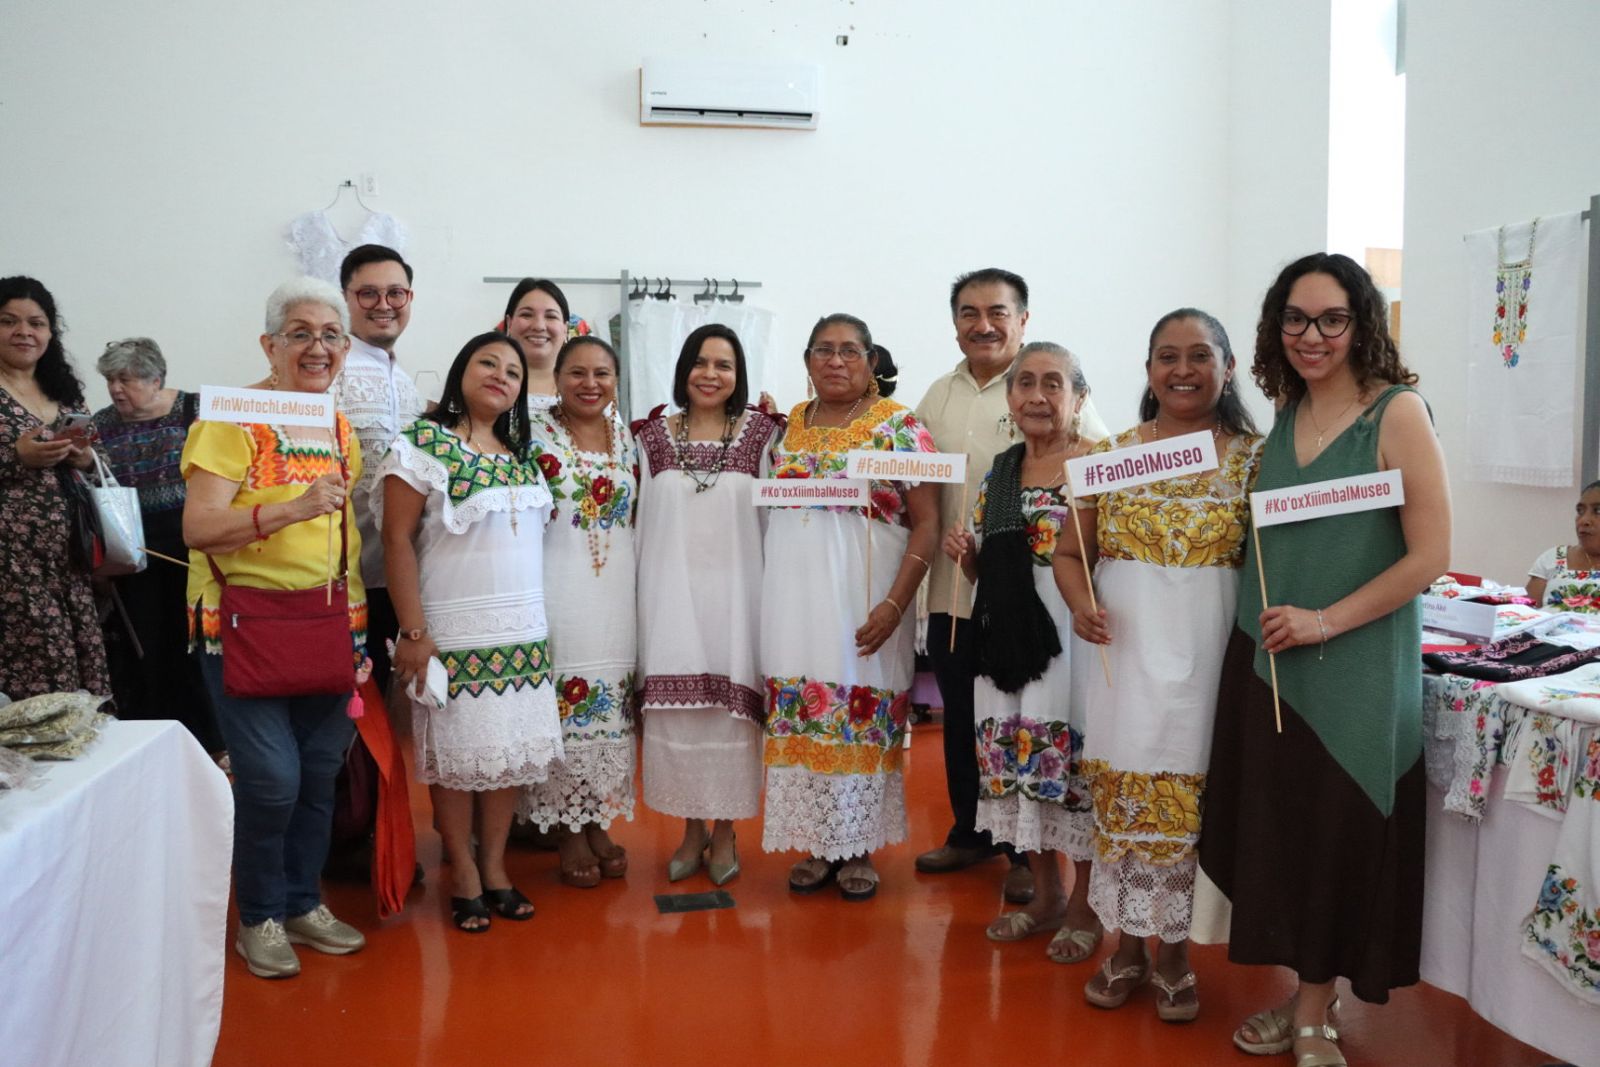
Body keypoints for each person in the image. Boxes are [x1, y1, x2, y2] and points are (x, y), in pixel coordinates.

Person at [1198, 254, 1450, 1067]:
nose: (1313, 336)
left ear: (1361, 322)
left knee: (1340, 833)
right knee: (1289, 831)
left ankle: (1313, 1010)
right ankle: (1304, 994)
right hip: (1275, 658)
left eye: (1332, 319)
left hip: (1357, 664)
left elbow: (1431, 555)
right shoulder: (1286, 411)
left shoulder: (1397, 413)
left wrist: (1325, 621)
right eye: (1297, 319)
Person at [1054, 308, 1262, 1021]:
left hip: (1211, 665)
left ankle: (1176, 954)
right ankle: (1128, 947)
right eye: (1167, 356)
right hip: (1126, 665)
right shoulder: (1111, 456)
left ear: (1227, 368)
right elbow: (1069, 553)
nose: (1182, 370)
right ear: (1148, 371)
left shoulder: (1256, 461)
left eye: (1199, 355)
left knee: (1192, 804)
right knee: (1127, 797)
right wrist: (1081, 603)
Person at [181, 277, 368, 979]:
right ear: (269, 344)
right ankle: (258, 914)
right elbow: (199, 526)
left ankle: (301, 902)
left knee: (319, 775)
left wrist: (356, 633)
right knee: (271, 781)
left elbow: (344, 540)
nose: (317, 347)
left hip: (328, 624)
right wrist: (292, 507)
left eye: (331, 335)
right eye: (300, 333)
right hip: (245, 627)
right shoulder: (231, 418)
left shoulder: (339, 426)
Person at [913, 268, 1108, 904]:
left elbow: (1107, 509)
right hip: (966, 595)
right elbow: (912, 476)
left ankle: (1039, 869)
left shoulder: (1075, 422)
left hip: (1064, 616)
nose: (983, 324)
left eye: (997, 312)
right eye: (969, 313)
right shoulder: (938, 399)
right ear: (955, 324)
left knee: (1058, 733)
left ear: (1022, 320)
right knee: (976, 723)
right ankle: (977, 834)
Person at [380, 331, 561, 932]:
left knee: (505, 757)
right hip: (453, 629)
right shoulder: (421, 445)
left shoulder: (522, 455)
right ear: (462, 369)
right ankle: (462, 867)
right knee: (457, 761)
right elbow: (395, 539)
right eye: (488, 362)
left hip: (523, 630)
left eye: (513, 372)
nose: (500, 376)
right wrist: (413, 632)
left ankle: (496, 866)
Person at [762, 313, 939, 900]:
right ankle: (818, 840)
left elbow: (927, 523)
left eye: (849, 351)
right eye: (823, 350)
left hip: (864, 598)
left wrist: (895, 604)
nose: (835, 361)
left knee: (858, 708)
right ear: (807, 361)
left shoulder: (900, 426)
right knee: (806, 708)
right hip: (795, 598)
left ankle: (858, 844)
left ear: (871, 361)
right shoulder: (791, 424)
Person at [944, 342, 1102, 960]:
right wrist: (969, 558)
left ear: (1079, 398)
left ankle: (1085, 907)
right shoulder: (1001, 473)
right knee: (1014, 765)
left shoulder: (1097, 466)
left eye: (1053, 383)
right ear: (1010, 399)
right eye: (1025, 383)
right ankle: (1046, 897)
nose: (1038, 395)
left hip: (1074, 638)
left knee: (1074, 772)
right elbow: (993, 576)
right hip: (1006, 646)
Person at [636, 324, 782, 884]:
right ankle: (691, 829)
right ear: (683, 370)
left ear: (739, 375)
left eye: (724, 365)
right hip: (669, 597)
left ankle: (725, 832)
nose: (710, 374)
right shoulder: (650, 437)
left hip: (739, 597)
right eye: (700, 362)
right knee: (682, 718)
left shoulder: (764, 435)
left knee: (729, 717)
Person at [517, 335, 639, 886]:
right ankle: (566, 828)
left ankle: (595, 820)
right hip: (556, 588)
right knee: (565, 707)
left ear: (616, 381)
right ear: (558, 378)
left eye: (602, 374)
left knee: (610, 708)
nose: (590, 384)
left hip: (615, 594)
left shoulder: (624, 436)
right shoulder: (531, 432)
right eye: (577, 373)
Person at [91, 337, 219, 750]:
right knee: (145, 647)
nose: (115, 389)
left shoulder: (196, 411)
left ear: (156, 380)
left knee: (195, 646)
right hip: (133, 549)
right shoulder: (100, 425)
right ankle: (151, 741)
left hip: (191, 546)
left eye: (125, 379)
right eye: (110, 380)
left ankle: (207, 742)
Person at [0, 276, 108, 701]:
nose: (23, 332)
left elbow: (100, 461)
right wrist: (15, 457)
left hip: (71, 562)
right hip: (11, 567)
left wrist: (85, 458)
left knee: (83, 681)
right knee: (37, 682)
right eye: (8, 321)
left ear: (50, 332)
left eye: (36, 323)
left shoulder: (63, 392)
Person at [336, 244, 422, 696]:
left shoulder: (405, 382)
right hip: (343, 578)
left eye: (395, 293)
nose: (384, 305)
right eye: (368, 293)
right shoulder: (330, 371)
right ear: (346, 298)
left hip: (399, 579)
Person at [1526, 481, 1600, 612]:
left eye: (1598, 511)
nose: (1583, 520)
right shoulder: (1552, 559)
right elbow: (1524, 615)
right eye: (1580, 511)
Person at [502, 278, 570, 407]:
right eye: (527, 315)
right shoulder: (489, 383)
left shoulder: (585, 388)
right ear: (509, 323)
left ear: (565, 328)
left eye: (551, 316)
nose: (539, 326)